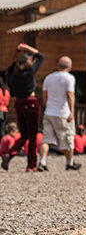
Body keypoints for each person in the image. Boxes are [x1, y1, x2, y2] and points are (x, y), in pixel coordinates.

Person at [2, 43, 45, 172]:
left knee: (24, 135)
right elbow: (41, 56)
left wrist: (17, 58)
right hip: (31, 103)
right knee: (32, 136)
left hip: (19, 103)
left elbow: (8, 70)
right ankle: (31, 165)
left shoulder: (12, 76)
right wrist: (25, 48)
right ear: (28, 63)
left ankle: (9, 154)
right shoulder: (29, 72)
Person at [40, 56, 82, 171]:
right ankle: (69, 163)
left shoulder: (48, 77)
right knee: (67, 138)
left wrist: (48, 105)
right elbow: (70, 95)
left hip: (49, 112)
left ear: (58, 66)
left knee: (46, 139)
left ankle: (42, 162)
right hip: (63, 113)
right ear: (70, 67)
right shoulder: (69, 78)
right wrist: (72, 112)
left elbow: (44, 95)